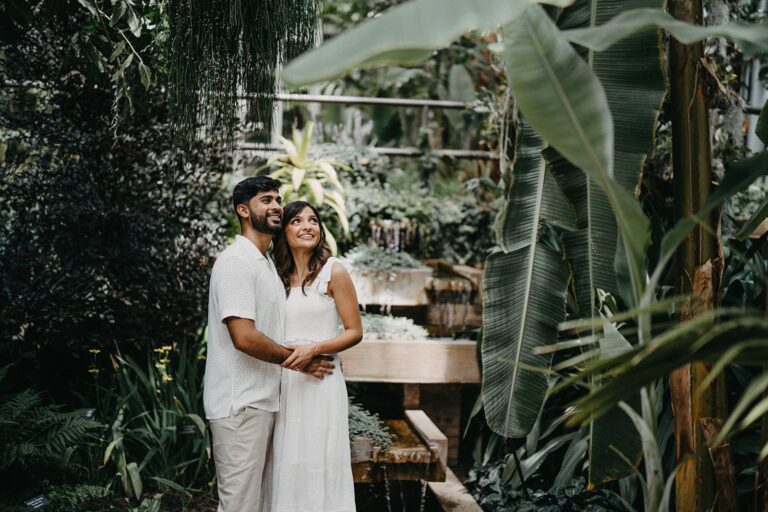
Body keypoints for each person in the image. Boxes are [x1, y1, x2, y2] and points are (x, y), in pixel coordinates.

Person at [203, 177, 335, 512]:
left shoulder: (264, 264)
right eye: (265, 200)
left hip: (262, 402)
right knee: (239, 507)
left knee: (258, 505)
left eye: (277, 199)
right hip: (240, 404)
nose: (276, 205)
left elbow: (269, 331)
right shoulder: (236, 261)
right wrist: (299, 359)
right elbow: (244, 337)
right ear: (243, 210)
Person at [262, 201, 363, 512]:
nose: (307, 226)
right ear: (284, 230)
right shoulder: (272, 274)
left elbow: (354, 331)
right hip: (284, 382)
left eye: (313, 220)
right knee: (285, 460)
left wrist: (313, 349)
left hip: (322, 382)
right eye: (297, 221)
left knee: (320, 460)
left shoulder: (335, 271)